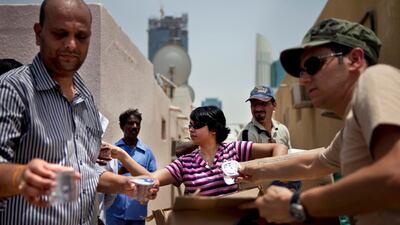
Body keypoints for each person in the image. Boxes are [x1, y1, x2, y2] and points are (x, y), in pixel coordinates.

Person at [0, 1, 156, 224]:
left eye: (81, 36)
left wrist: (125, 185)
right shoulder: (12, 90)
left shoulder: (85, 98)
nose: (71, 44)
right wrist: (19, 176)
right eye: (60, 34)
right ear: (38, 33)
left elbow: (82, 173)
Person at [239, 18, 400, 225]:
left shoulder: (375, 78)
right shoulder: (353, 125)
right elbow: (314, 162)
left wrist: (297, 204)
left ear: (355, 59)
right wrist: (249, 169)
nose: (303, 79)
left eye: (313, 65)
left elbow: (394, 173)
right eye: (301, 71)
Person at [104, 106, 288, 197]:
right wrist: (123, 156)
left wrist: (262, 174)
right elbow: (152, 180)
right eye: (190, 125)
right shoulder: (185, 163)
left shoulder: (235, 149)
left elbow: (279, 148)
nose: (191, 129)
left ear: (214, 129)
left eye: (197, 125)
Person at [239, 85, 300, 191]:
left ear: (274, 105)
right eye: (254, 104)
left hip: (282, 186)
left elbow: (289, 159)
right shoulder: (247, 134)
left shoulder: (282, 130)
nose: (258, 108)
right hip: (259, 190)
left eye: (263, 104)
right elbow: (248, 171)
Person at [106, 109, 157, 225]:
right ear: (122, 126)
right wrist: (120, 171)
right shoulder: (113, 151)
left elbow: (153, 179)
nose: (134, 126)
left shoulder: (147, 152)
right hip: (114, 213)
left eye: (137, 124)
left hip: (137, 214)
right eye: (130, 123)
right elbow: (104, 179)